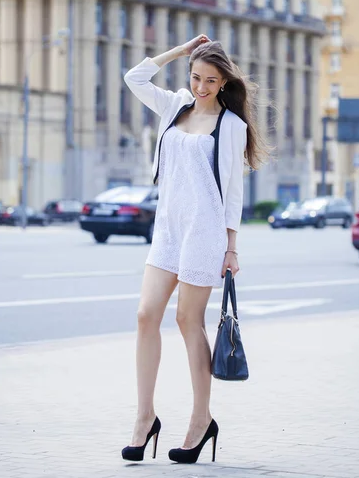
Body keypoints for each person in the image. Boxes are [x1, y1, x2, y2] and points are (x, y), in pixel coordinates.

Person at [121, 36, 266, 464]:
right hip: (168, 227)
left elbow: (233, 193)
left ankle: (201, 420)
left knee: (188, 320)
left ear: (224, 83)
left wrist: (232, 247)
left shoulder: (231, 126)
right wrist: (181, 50)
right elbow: (135, 77)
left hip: (204, 232)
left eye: (211, 80)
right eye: (196, 77)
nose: (201, 86)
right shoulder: (174, 106)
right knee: (146, 314)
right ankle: (145, 418)